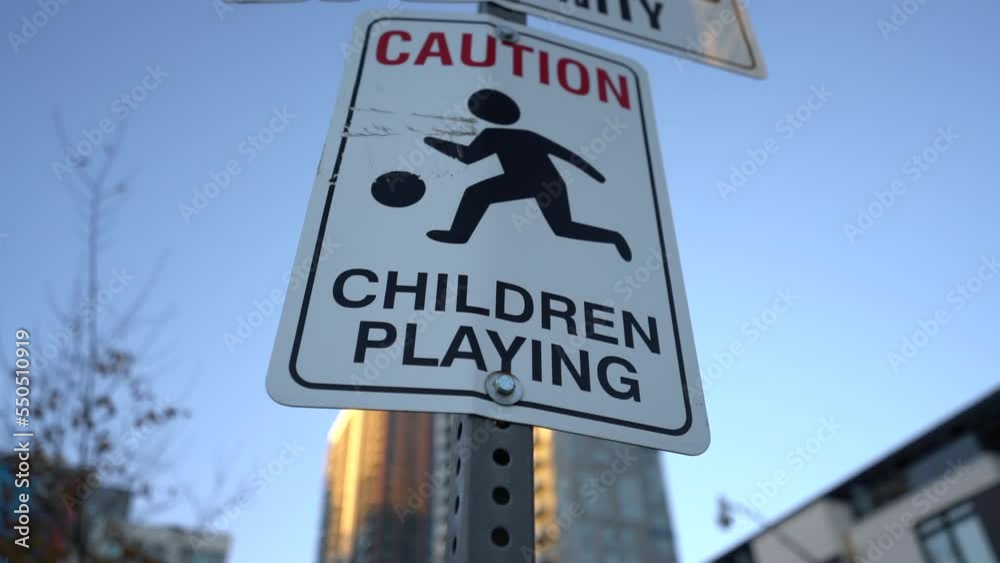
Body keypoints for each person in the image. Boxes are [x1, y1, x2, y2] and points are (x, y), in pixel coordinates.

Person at [423, 89, 632, 261]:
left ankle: (613, 237)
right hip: (549, 183)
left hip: (530, 182)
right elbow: (569, 156)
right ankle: (613, 237)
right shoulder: (524, 135)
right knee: (562, 227)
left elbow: (467, 157)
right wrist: (596, 176)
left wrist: (436, 143)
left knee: (477, 194)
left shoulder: (493, 135)